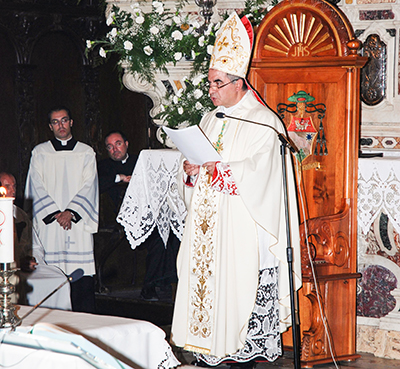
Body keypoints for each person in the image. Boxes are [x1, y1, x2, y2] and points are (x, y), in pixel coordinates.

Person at [170, 12, 302, 367]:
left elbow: (266, 175)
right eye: (210, 84)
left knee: (240, 312)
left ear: (239, 82)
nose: (211, 91)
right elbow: (201, 166)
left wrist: (220, 170)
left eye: (217, 84)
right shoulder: (210, 119)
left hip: (242, 232)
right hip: (209, 233)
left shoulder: (264, 121)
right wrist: (192, 171)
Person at [24, 106, 99, 313]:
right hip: (51, 224)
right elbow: (35, 186)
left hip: (76, 223)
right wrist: (56, 214)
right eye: (56, 122)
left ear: (71, 122)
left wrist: (70, 212)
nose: (61, 125)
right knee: (51, 274)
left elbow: (90, 185)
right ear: (50, 126)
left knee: (81, 281)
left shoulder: (86, 152)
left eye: (64, 120)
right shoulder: (40, 152)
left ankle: (85, 321)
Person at [0, 172, 37, 273]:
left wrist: (30, 260)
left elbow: (35, 245)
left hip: (20, 269)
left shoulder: (21, 215)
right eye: (7, 187)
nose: (13, 191)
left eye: (14, 186)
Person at [98, 130, 137, 214]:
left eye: (118, 144)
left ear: (126, 144)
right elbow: (97, 185)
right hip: (111, 218)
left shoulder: (139, 161)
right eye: (110, 147)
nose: (115, 149)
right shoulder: (102, 166)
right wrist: (119, 177)